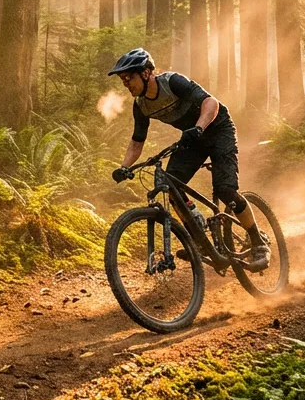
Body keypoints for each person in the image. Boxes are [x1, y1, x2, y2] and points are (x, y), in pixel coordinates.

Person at [106, 48, 269, 266]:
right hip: (193, 140)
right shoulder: (141, 106)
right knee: (168, 184)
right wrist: (124, 166)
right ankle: (199, 238)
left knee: (226, 190)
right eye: (123, 80)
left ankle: (258, 243)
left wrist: (199, 128)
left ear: (146, 73)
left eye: (129, 77)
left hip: (218, 129)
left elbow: (211, 103)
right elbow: (137, 141)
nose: (126, 83)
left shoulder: (173, 82)